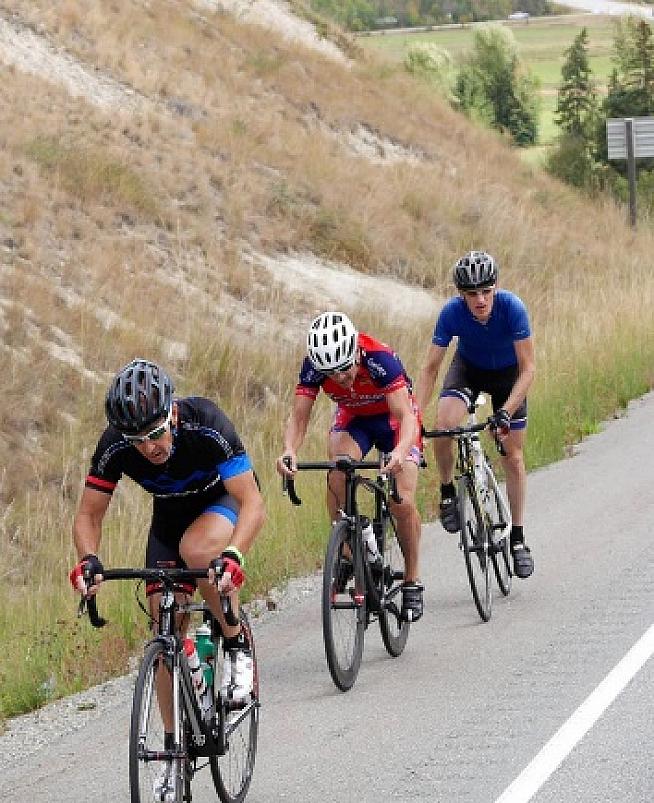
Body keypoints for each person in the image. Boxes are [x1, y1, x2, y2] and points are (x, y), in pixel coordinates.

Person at [69, 359, 265, 797]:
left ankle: (234, 641)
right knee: (163, 627)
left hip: (222, 503)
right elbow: (87, 516)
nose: (149, 447)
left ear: (172, 411)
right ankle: (174, 752)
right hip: (169, 520)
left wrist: (234, 554)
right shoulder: (115, 444)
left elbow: (252, 502)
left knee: (198, 550)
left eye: (156, 433)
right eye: (137, 440)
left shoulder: (205, 423)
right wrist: (89, 561)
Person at [276, 311, 424, 621]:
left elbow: (406, 416)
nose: (341, 378)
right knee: (337, 473)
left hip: (393, 421)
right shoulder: (313, 367)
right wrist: (289, 450)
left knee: (402, 500)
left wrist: (400, 452)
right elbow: (299, 417)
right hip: (355, 419)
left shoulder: (379, 359)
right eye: (331, 374)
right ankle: (348, 550)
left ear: (356, 352)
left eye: (345, 369)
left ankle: (412, 579)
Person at [416, 251, 535, 579]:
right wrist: (414, 418)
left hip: (509, 376)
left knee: (512, 456)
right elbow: (430, 369)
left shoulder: (512, 308)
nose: (480, 300)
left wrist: (505, 413)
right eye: (472, 294)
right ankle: (447, 492)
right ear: (461, 294)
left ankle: (518, 538)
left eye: (486, 291)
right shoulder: (452, 313)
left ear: (496, 287)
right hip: (469, 370)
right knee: (443, 427)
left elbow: (528, 369)